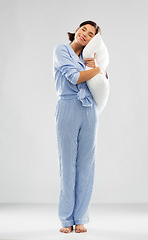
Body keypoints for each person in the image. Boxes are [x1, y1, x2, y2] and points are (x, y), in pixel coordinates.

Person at [53, 20, 108, 234]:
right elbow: (75, 77)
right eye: (83, 29)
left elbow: (103, 79)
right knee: (68, 165)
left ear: (94, 40)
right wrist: (96, 71)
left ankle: (81, 218)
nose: (85, 34)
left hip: (89, 111)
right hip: (67, 108)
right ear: (76, 31)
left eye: (91, 33)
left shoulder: (88, 59)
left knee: (87, 166)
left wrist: (97, 70)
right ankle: (66, 218)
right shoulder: (61, 50)